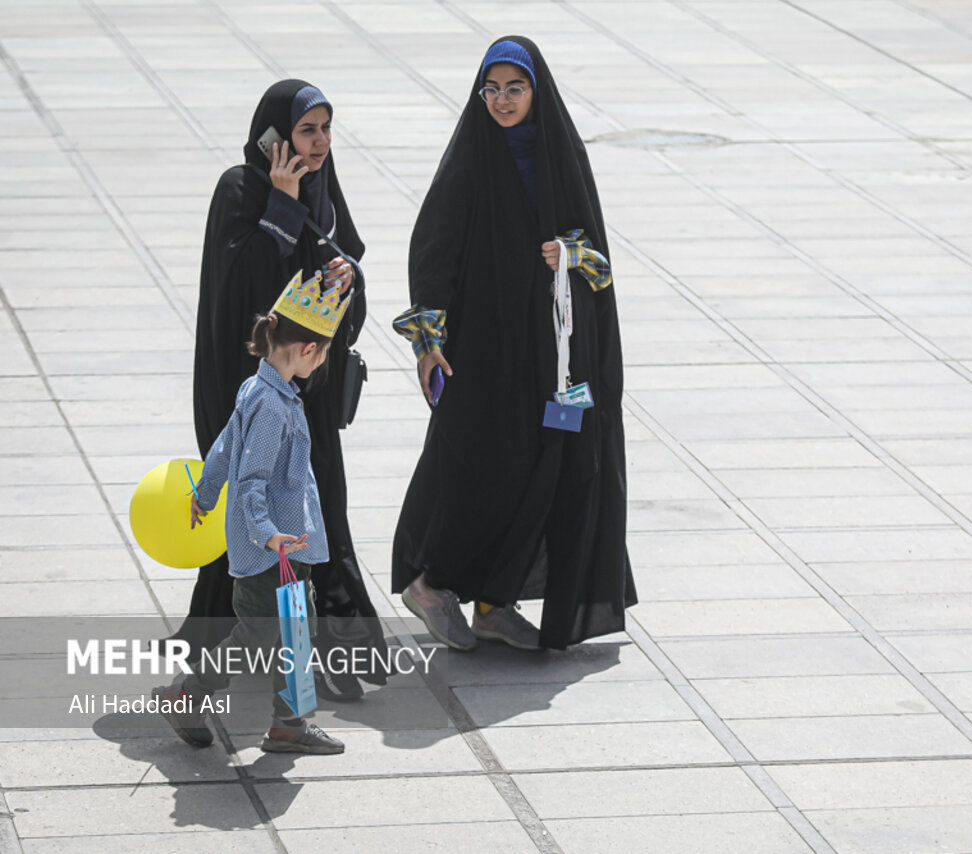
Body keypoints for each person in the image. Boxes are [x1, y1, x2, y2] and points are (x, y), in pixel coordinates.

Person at [391, 37, 636, 652]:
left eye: (514, 89)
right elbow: (433, 251)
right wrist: (427, 342)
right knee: (479, 465)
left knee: (547, 470)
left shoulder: (562, 154)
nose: (501, 101)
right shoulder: (473, 158)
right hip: (483, 348)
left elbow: (602, 265)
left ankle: (494, 605)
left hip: (554, 356)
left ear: (537, 92)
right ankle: (430, 583)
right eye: (491, 90)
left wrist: (572, 253)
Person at [173, 79, 387, 699]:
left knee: (320, 519)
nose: (318, 144)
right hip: (255, 391)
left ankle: (323, 655)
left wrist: (350, 279)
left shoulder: (326, 195)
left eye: (325, 130)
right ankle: (235, 677)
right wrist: (283, 205)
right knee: (262, 526)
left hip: (309, 395)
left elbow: (342, 300)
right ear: (274, 137)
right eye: (305, 130)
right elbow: (242, 294)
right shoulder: (240, 190)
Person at [154, 270, 350, 754]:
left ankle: (289, 726)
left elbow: (223, 448)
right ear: (308, 349)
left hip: (290, 541)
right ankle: (187, 693)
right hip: (271, 549)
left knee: (298, 629)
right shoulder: (271, 405)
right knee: (260, 634)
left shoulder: (258, 389)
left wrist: (203, 493)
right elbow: (252, 479)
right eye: (324, 352)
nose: (322, 361)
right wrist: (266, 534)